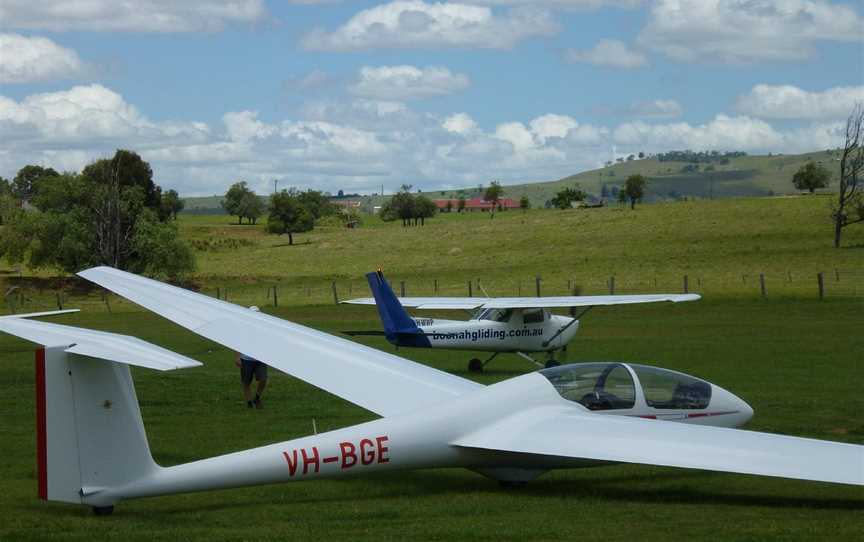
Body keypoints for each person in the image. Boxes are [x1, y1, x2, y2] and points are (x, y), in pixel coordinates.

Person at [236, 306, 267, 409]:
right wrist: (238, 357)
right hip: (246, 359)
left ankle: (257, 397)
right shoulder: (243, 327)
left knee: (263, 379)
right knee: (246, 382)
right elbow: (237, 342)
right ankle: (249, 403)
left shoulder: (264, 327)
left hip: (260, 359)